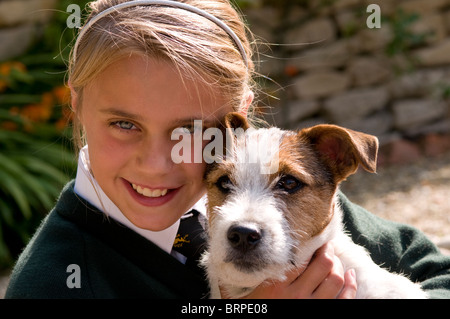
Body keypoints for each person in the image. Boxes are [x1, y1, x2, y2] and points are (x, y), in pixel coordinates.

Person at [5, 0, 450, 299]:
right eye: (124, 124)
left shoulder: (281, 191)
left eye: (192, 131)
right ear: (77, 105)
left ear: (239, 119)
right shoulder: (50, 282)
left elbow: (436, 274)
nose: (158, 164)